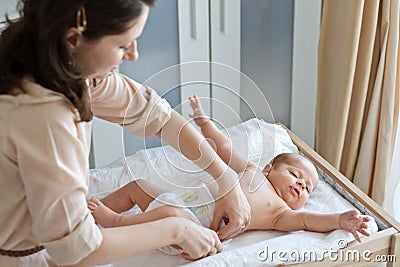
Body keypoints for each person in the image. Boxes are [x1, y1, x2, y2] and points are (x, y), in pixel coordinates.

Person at [0, 1, 251, 266]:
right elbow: (78, 250)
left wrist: (226, 178)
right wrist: (177, 229)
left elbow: (159, 118)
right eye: (122, 45)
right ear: (74, 37)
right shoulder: (43, 114)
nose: (133, 55)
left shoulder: (61, 66)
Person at [87, 95, 371, 256]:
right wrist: (204, 123)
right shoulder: (249, 170)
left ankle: (117, 221)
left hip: (195, 231)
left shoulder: (280, 213)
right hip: (179, 200)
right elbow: (222, 149)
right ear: (269, 168)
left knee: (173, 215)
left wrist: (338, 219)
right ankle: (84, 217)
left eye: (307, 188)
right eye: (296, 174)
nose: (301, 184)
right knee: (138, 186)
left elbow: (308, 221)